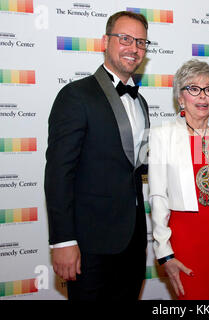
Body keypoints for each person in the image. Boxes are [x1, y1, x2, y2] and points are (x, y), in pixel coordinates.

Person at [44, 11, 150, 300]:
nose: (134, 48)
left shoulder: (141, 102)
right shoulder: (76, 95)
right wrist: (63, 240)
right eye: (125, 38)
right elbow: (58, 173)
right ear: (106, 41)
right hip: (89, 246)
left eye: (141, 42)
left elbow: (136, 164)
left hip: (133, 242)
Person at [148, 59, 209, 300]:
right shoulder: (163, 135)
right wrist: (165, 252)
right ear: (180, 98)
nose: (202, 96)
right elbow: (158, 196)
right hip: (189, 241)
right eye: (193, 89)